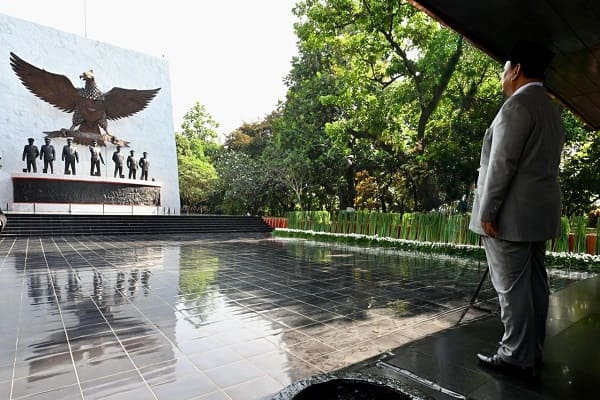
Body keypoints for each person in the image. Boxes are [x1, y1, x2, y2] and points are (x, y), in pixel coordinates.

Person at [469, 41, 565, 378]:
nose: (502, 76)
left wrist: (487, 211)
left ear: (516, 70)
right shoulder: (550, 108)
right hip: (538, 214)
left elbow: (502, 164)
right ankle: (531, 350)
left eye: (504, 69)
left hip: (509, 217)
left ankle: (515, 356)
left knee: (511, 289)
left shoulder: (516, 106)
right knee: (535, 285)